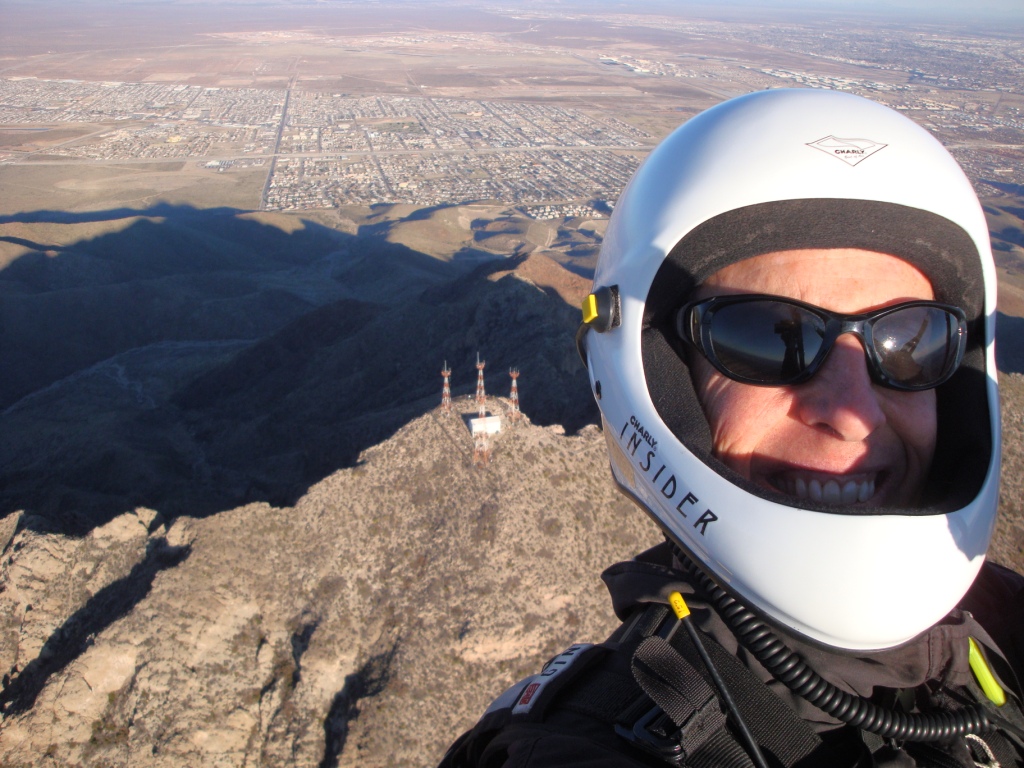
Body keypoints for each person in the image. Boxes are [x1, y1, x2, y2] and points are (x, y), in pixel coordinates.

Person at [439, 88, 1024, 767]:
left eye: (909, 342)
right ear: (661, 374)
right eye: (768, 340)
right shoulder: (573, 748)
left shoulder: (1001, 624)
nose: (853, 413)